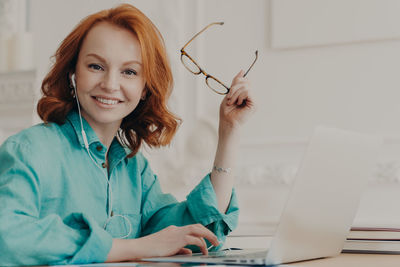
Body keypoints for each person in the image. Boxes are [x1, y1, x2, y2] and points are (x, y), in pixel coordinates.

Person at [0, 3, 255, 266]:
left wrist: (229, 130)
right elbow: (6, 239)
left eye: (129, 72)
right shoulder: (28, 150)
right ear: (73, 73)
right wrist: (135, 247)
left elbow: (197, 235)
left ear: (145, 88)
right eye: (95, 66)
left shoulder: (136, 170)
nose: (110, 84)